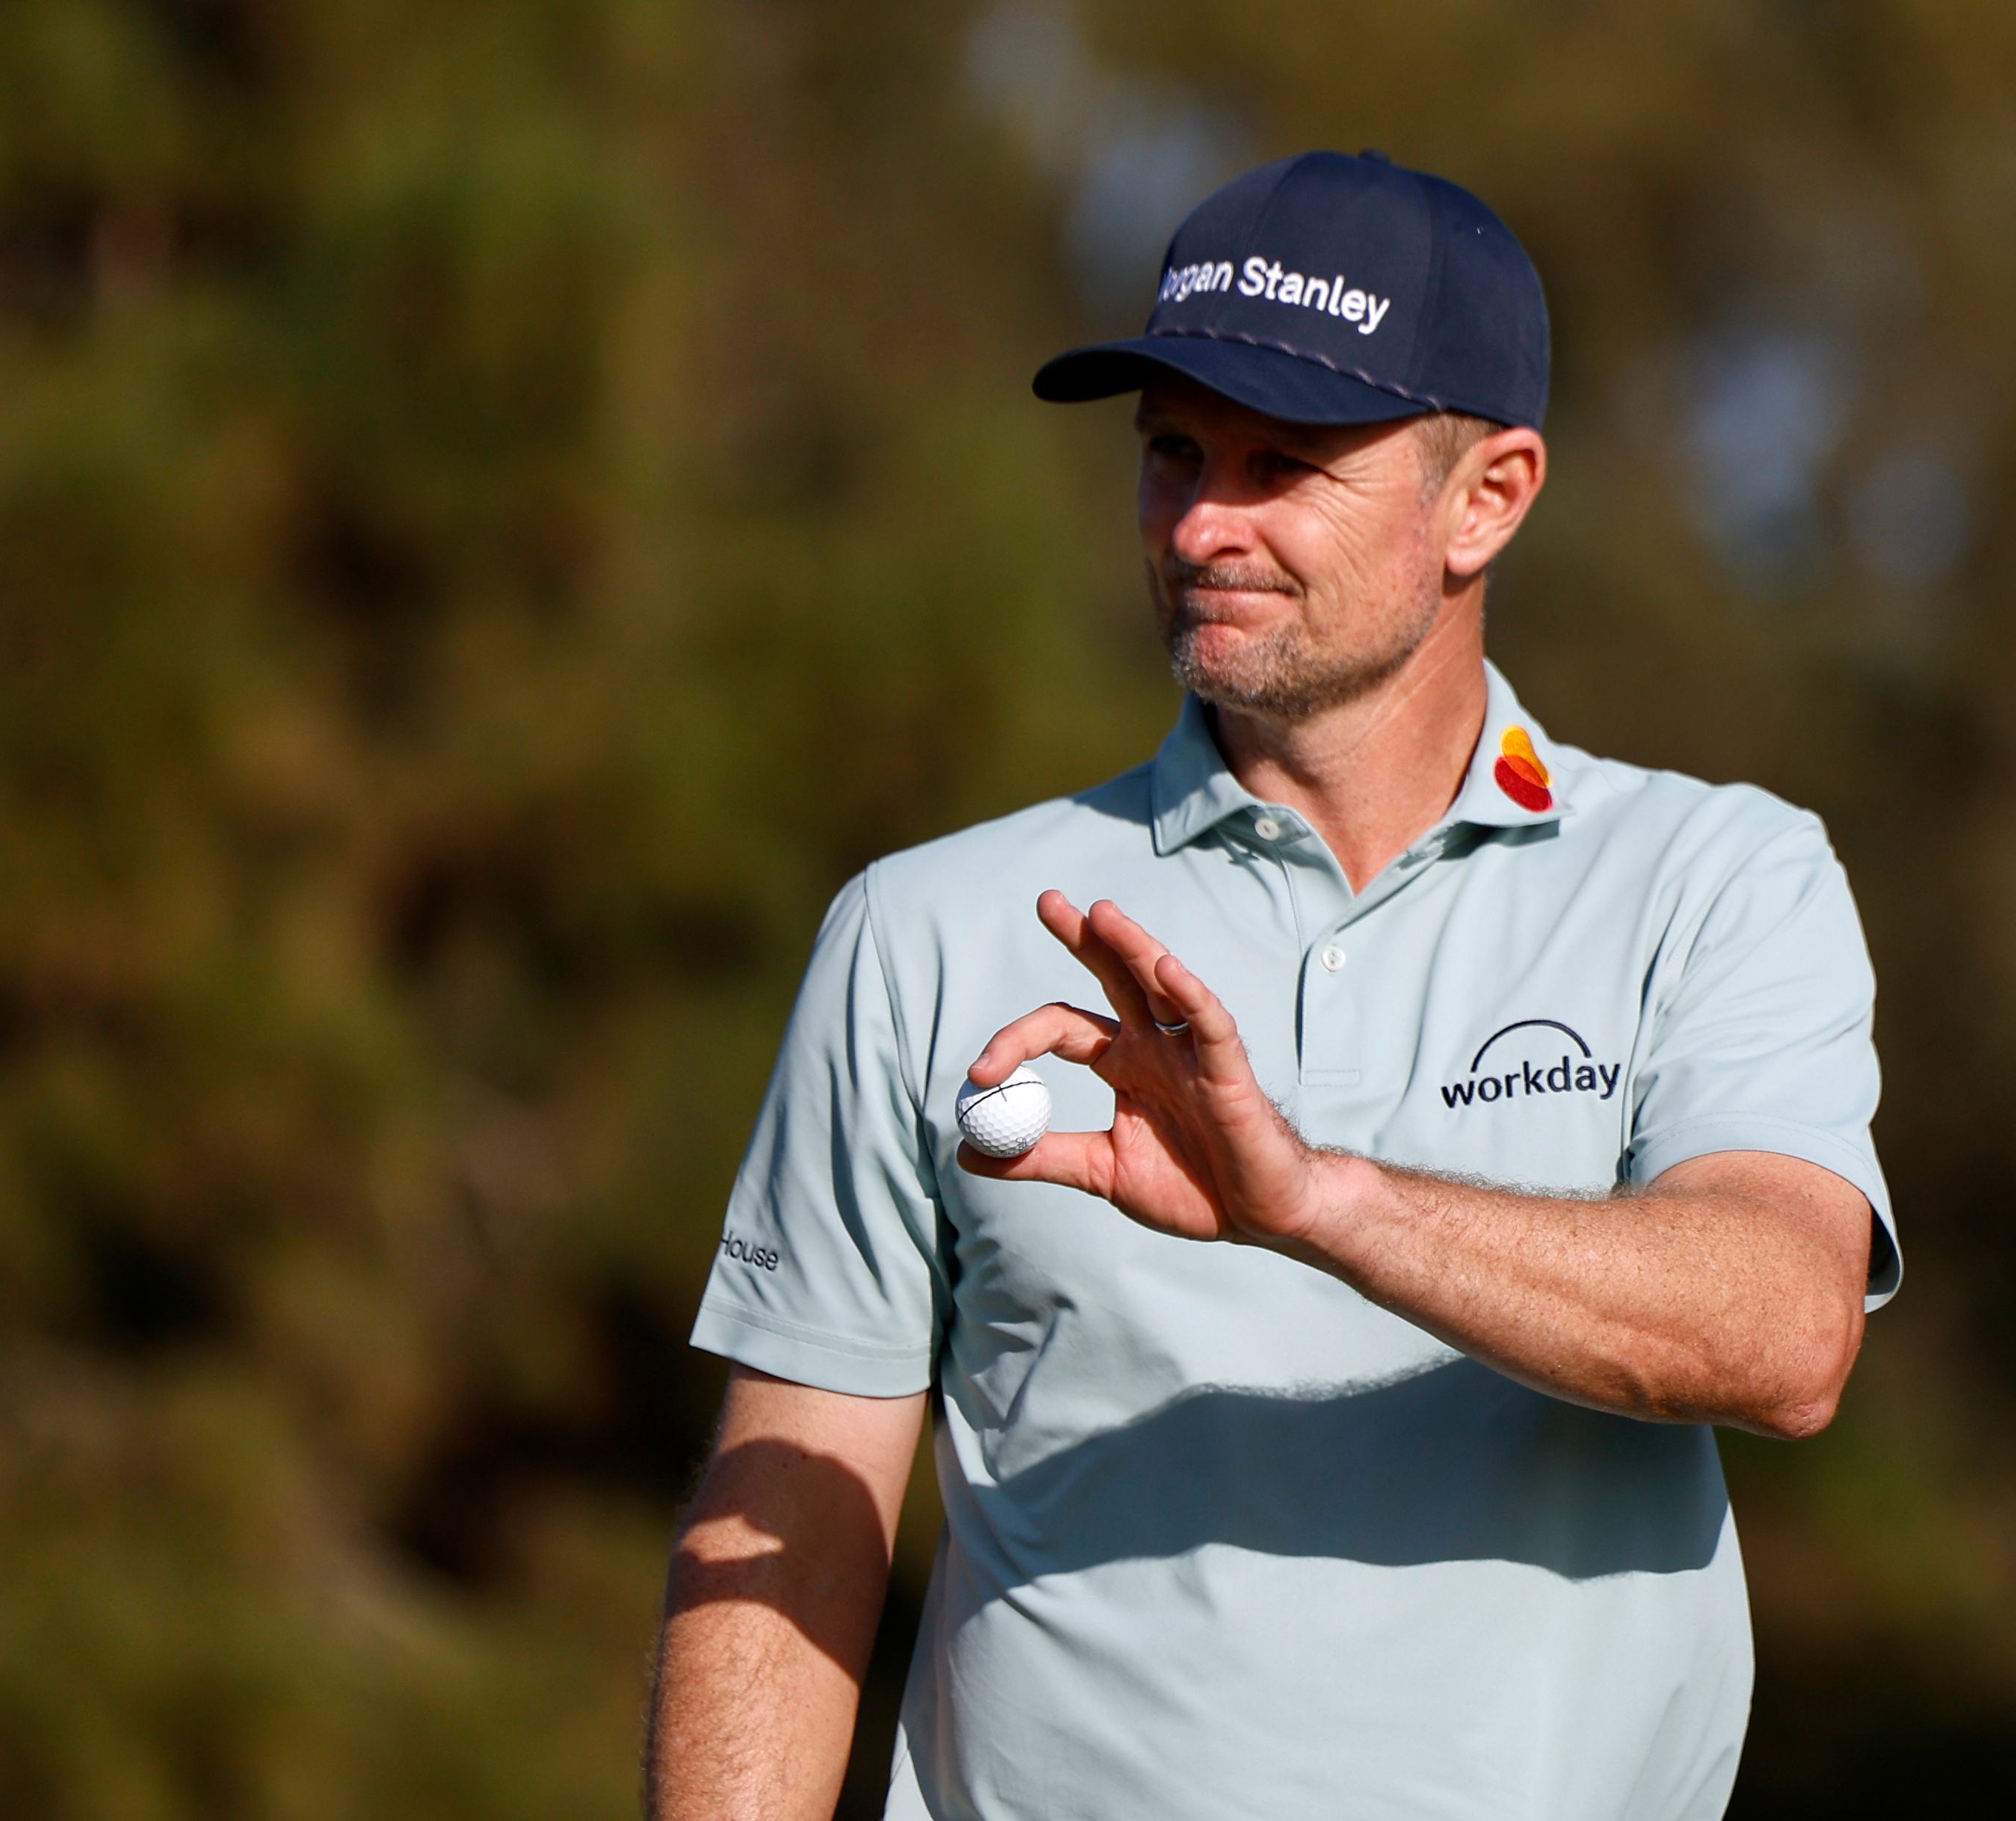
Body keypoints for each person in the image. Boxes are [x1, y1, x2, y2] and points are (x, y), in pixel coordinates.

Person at [645, 150, 1900, 1821]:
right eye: (1172, 450)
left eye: (1282, 463)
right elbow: (791, 1510)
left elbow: (1785, 1331)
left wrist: (1311, 1201)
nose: (1199, 523)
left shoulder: (1713, 876)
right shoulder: (920, 927)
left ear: (1489, 497)